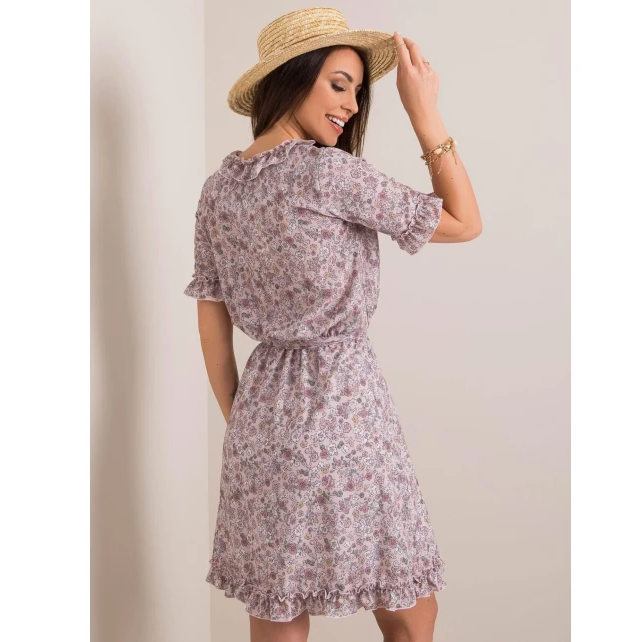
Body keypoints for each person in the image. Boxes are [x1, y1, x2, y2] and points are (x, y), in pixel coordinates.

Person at [183, 7, 482, 642]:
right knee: (410, 611)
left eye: (357, 90)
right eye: (338, 84)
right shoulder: (328, 172)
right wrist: (424, 114)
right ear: (293, 78)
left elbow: (211, 318)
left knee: (279, 612)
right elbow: (464, 222)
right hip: (345, 405)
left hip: (261, 419)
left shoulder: (218, 189)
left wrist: (245, 421)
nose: (350, 104)